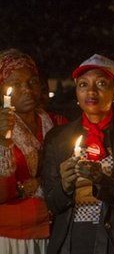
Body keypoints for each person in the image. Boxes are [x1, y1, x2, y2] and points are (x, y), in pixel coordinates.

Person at [42, 54, 114, 253]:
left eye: (101, 83)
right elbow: (51, 203)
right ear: (76, 91)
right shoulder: (57, 138)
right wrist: (65, 186)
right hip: (71, 240)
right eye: (83, 84)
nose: (91, 91)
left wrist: (102, 180)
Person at [0, 49, 67, 253]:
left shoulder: (56, 124)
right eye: (15, 84)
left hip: (54, 231)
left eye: (32, 81)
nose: (27, 90)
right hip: (11, 238)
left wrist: (37, 183)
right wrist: (3, 141)